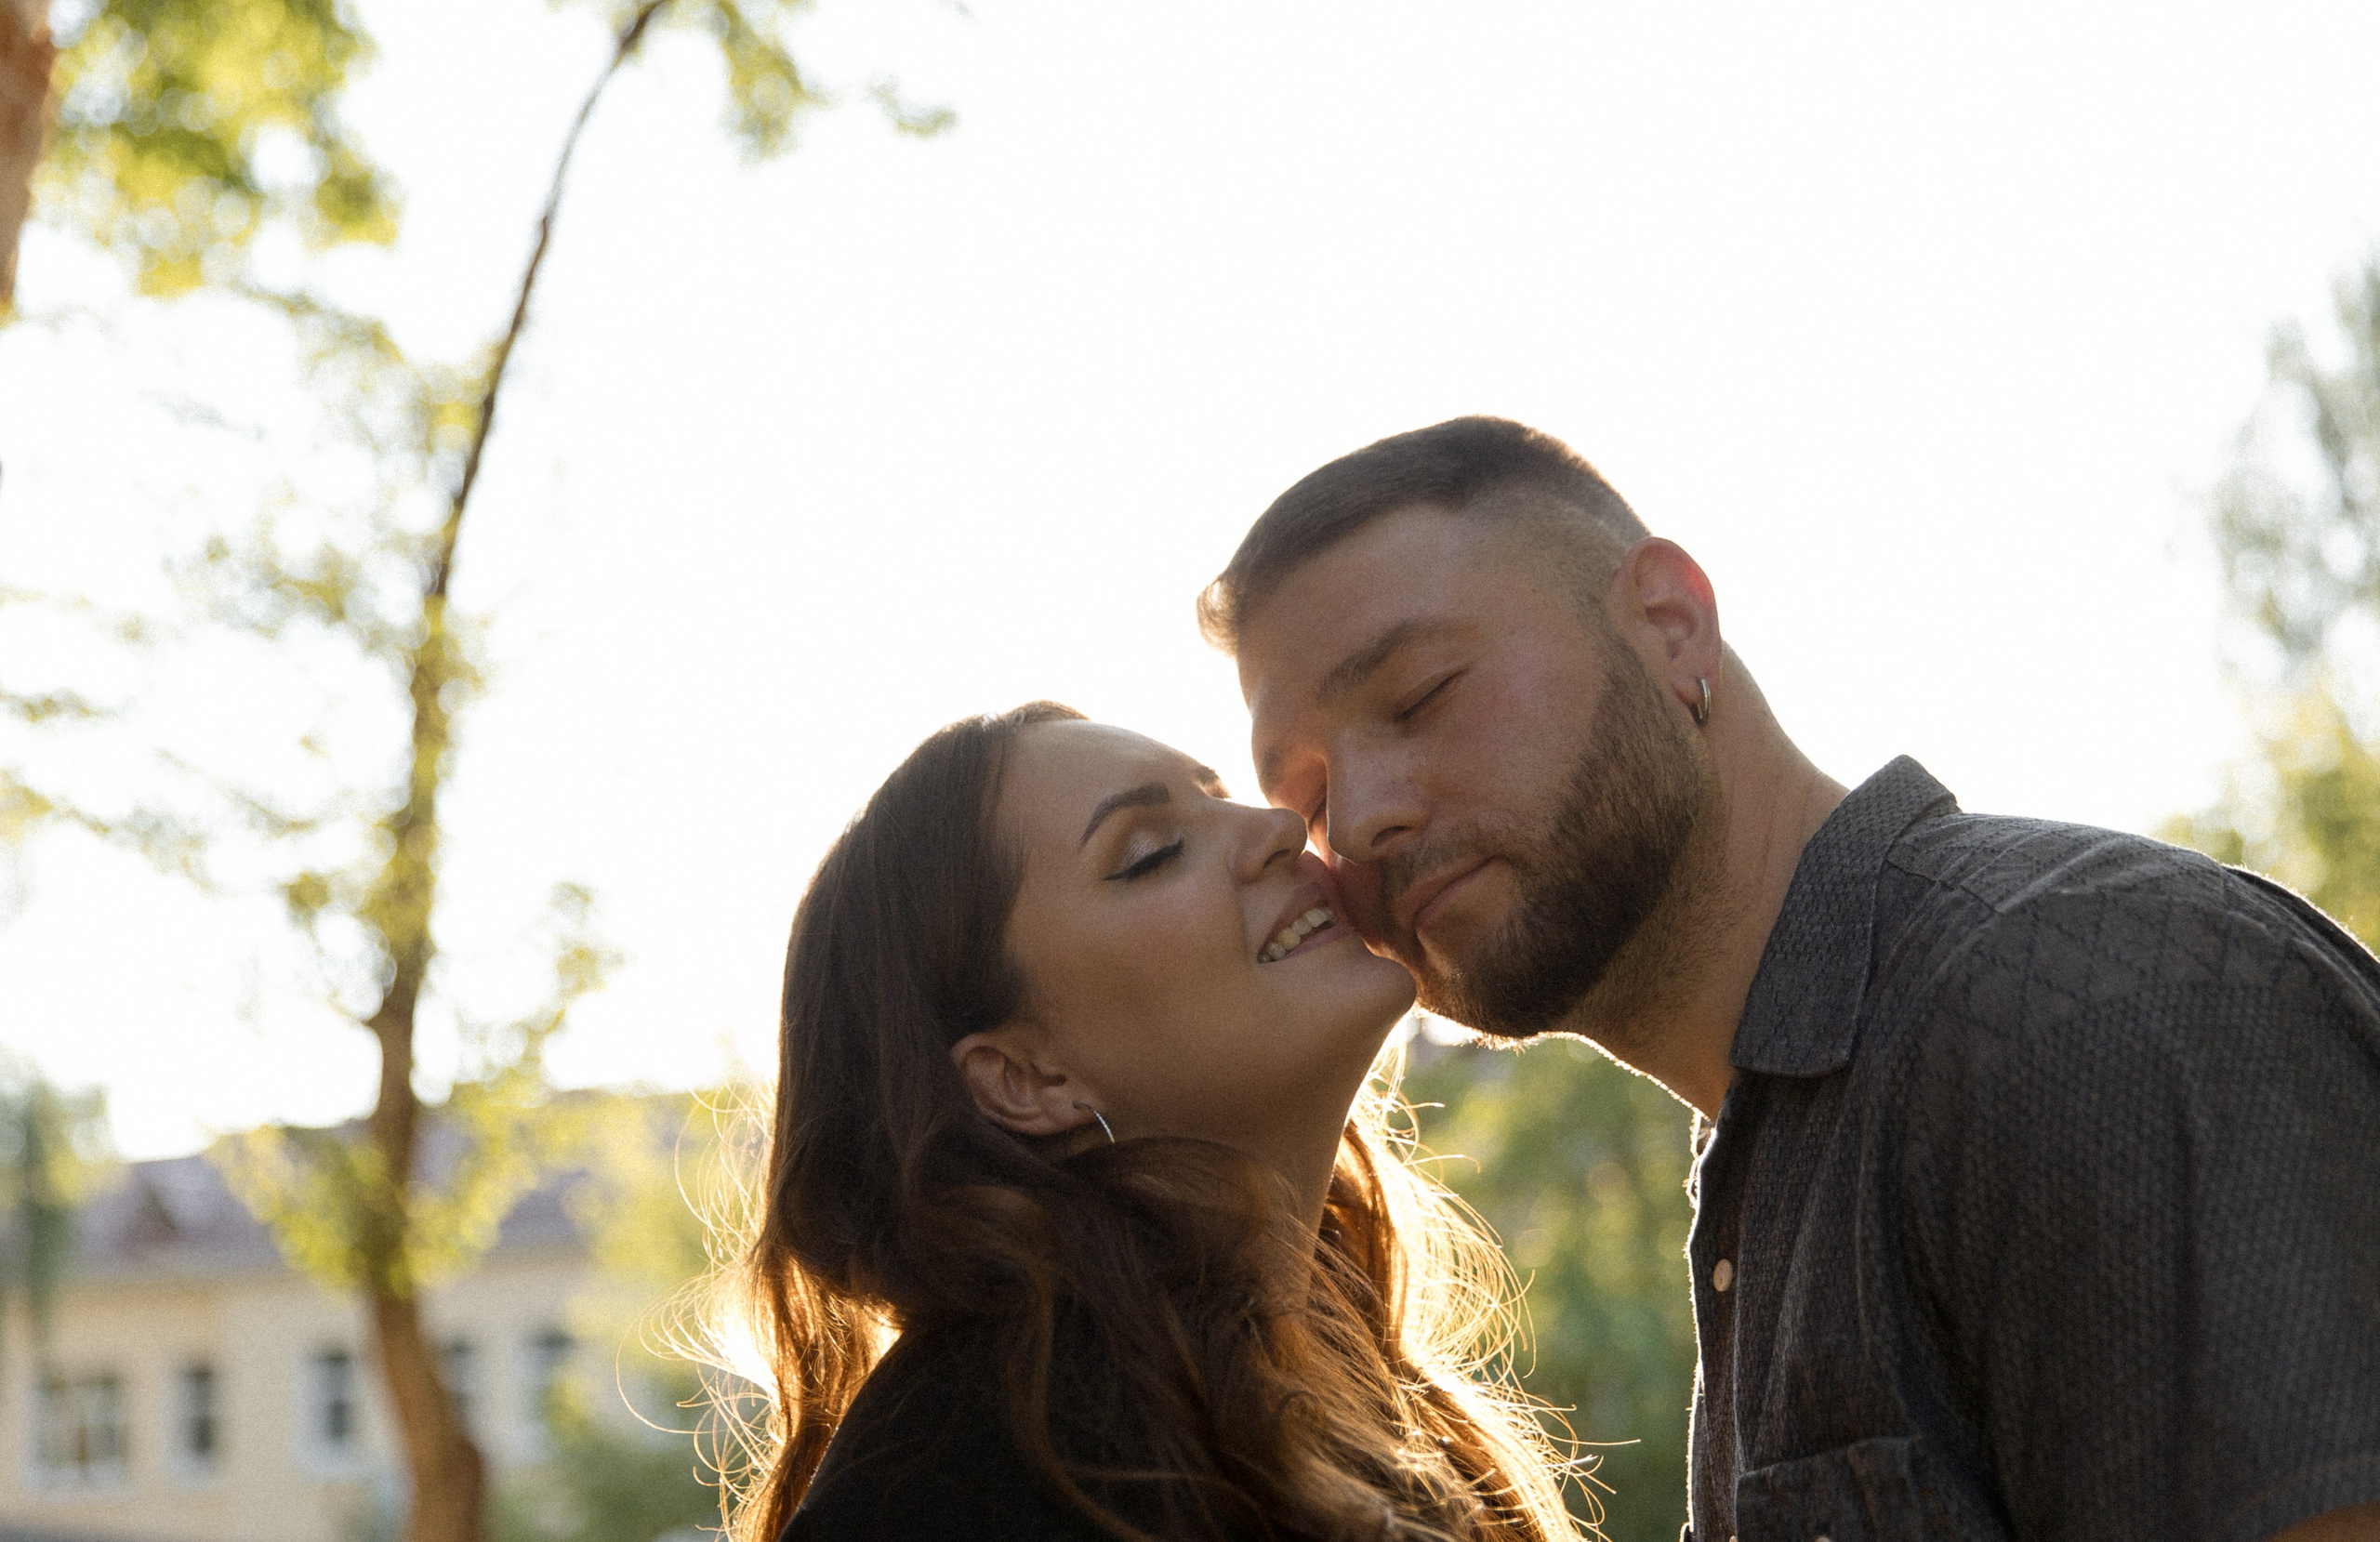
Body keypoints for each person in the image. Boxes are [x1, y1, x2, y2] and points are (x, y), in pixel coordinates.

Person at [1201, 416, 2380, 1542]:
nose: (1356, 822)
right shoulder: (1781, 1161)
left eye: (1417, 699)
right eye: (1303, 800)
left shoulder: (2078, 1006)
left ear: (1669, 626)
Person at [713, 701, 1584, 1542]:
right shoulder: (966, 1483)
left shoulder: (1345, 1401)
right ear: (1024, 1077)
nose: (1280, 829)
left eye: (1219, 794)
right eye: (1152, 852)